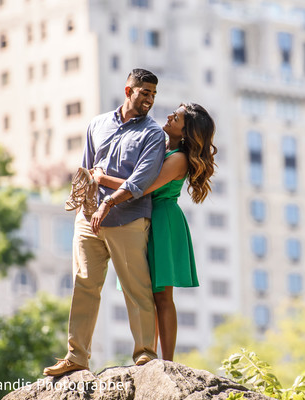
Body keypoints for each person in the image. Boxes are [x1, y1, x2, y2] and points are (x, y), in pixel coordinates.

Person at [43, 68, 166, 376]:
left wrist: (109, 201)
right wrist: (85, 205)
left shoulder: (153, 134)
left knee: (136, 289)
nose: (150, 99)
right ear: (129, 91)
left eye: (153, 94)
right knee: (84, 285)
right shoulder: (97, 124)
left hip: (128, 221)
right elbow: (86, 170)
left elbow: (142, 180)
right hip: (89, 221)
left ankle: (146, 356)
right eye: (144, 93)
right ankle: (77, 356)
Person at [91, 102, 217, 361]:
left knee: (162, 296)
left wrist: (102, 179)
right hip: (145, 216)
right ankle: (148, 353)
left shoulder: (179, 158)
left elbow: (142, 187)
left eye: (178, 117)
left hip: (163, 221)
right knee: (142, 292)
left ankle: (167, 362)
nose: (170, 115)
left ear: (187, 131)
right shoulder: (160, 147)